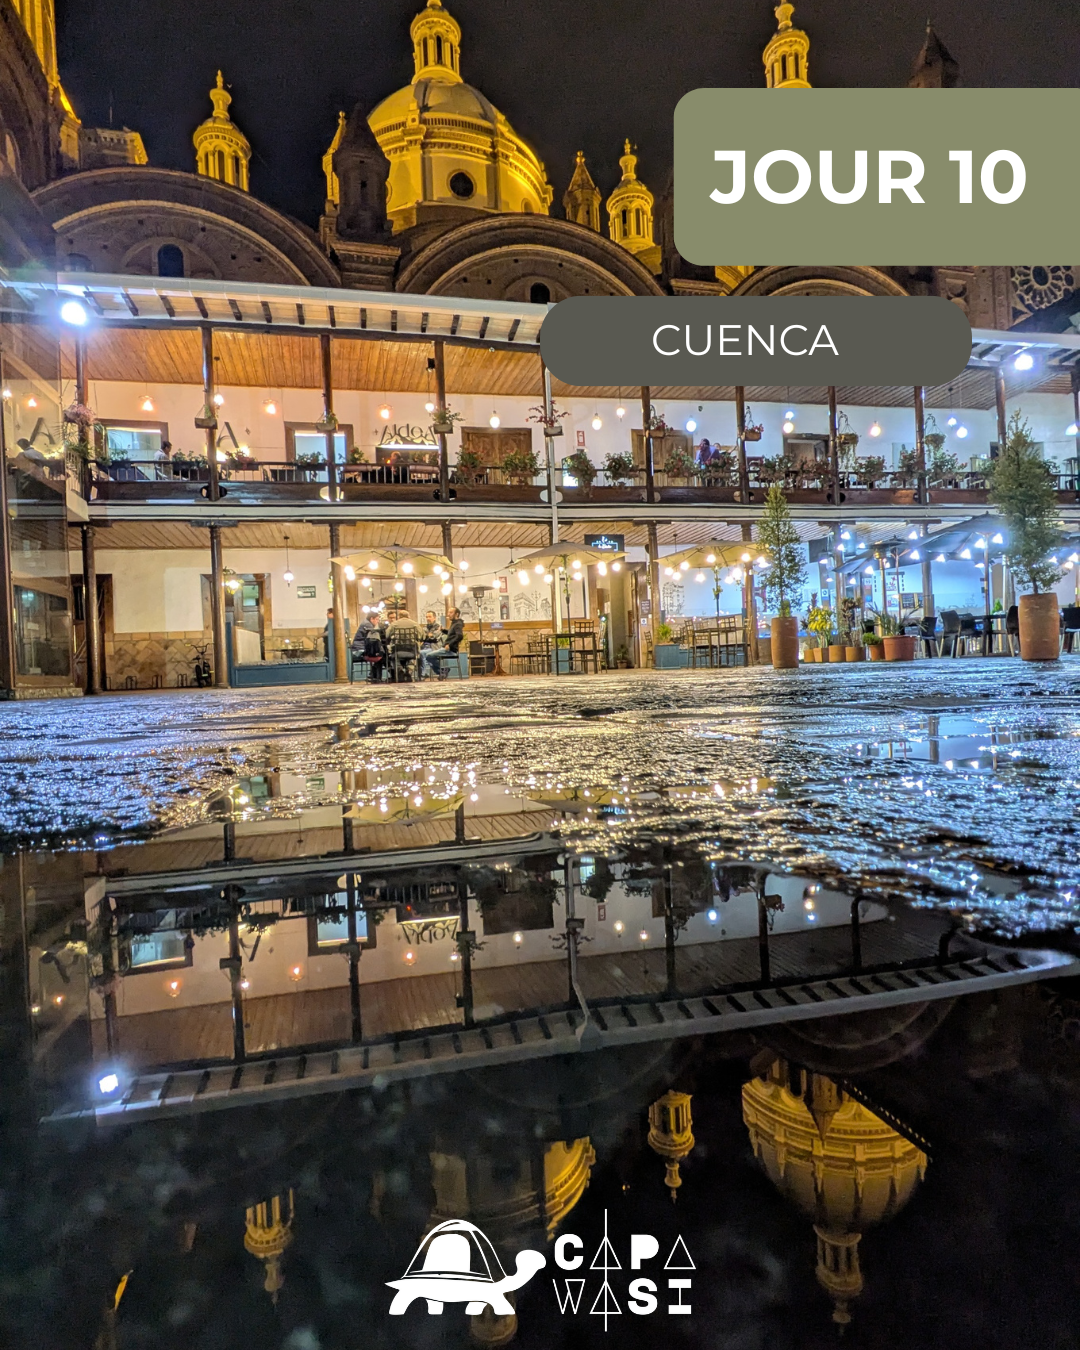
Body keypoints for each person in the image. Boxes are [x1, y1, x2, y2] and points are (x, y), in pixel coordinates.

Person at [421, 608, 465, 679]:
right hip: (446, 648)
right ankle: (442, 671)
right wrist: (443, 630)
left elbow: (460, 636)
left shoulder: (458, 624)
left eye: (451, 612)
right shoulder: (454, 623)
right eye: (448, 612)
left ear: (456, 614)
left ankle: (442, 670)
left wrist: (449, 644)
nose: (448, 614)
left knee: (428, 655)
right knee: (428, 656)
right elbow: (451, 634)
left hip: (450, 650)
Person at [384, 608, 422, 681]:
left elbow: (387, 635)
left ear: (399, 617)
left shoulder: (394, 624)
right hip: (412, 650)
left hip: (398, 650)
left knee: (394, 657)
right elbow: (422, 636)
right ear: (408, 616)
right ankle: (409, 670)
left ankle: (400, 670)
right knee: (415, 655)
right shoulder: (415, 624)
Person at [351, 613, 385, 682]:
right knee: (381, 655)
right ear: (371, 619)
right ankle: (375, 677)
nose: (378, 621)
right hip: (360, 649)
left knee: (379, 654)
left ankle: (373, 676)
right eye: (377, 619)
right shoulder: (368, 625)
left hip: (359, 648)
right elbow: (374, 638)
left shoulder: (365, 623)